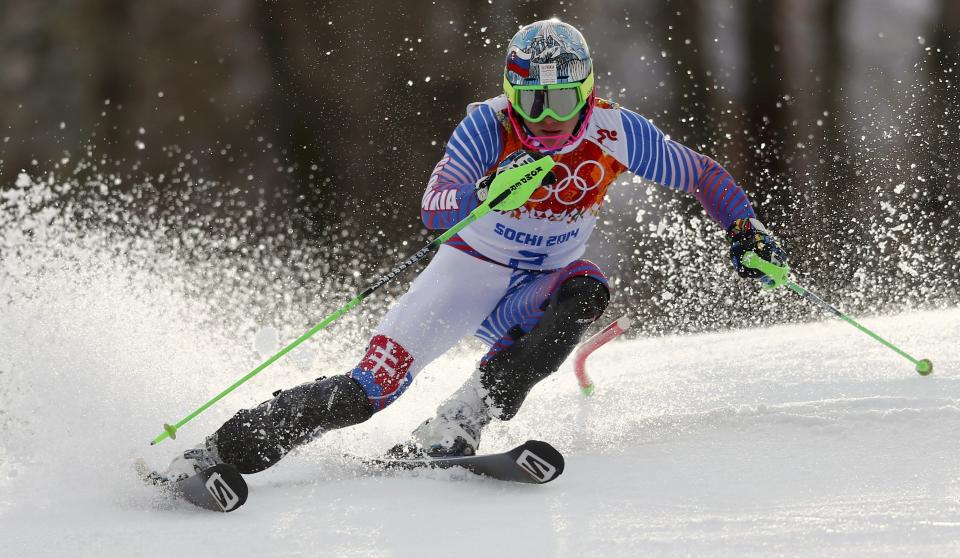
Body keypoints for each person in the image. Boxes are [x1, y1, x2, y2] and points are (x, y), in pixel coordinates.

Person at [156, 18, 786, 481]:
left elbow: (701, 174)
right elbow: (437, 200)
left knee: (587, 288)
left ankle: (461, 417)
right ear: (512, 94)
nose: (547, 117)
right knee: (364, 395)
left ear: (587, 92)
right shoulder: (488, 124)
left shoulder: (615, 130)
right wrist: (486, 191)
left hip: (535, 286)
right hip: (466, 278)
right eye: (532, 100)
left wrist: (744, 228)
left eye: (563, 99)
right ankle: (217, 451)